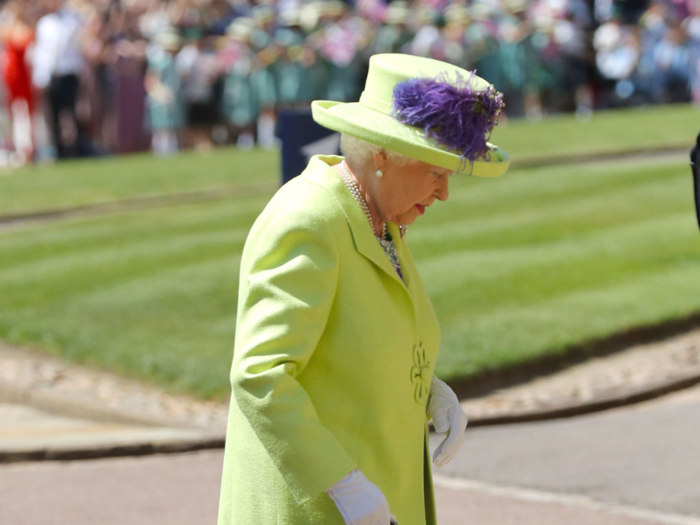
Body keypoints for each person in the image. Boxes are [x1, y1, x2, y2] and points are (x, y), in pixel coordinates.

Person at [217, 53, 510, 525]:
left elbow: (353, 345)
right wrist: (342, 483)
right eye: (435, 172)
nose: (443, 193)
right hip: (315, 509)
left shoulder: (380, 216)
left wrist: (427, 391)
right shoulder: (310, 219)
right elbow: (261, 374)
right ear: (381, 156)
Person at [32, 0, 85, 159]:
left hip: (68, 72)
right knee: (53, 113)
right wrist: (41, 77)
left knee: (71, 112)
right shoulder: (45, 23)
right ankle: (58, 150)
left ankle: (76, 148)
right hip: (51, 75)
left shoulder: (72, 19)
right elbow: (43, 53)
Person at [0, 0, 35, 162]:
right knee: (14, 112)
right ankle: (14, 146)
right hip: (13, 76)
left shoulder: (26, 24)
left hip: (24, 76)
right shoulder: (9, 25)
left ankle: (26, 148)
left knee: (26, 112)